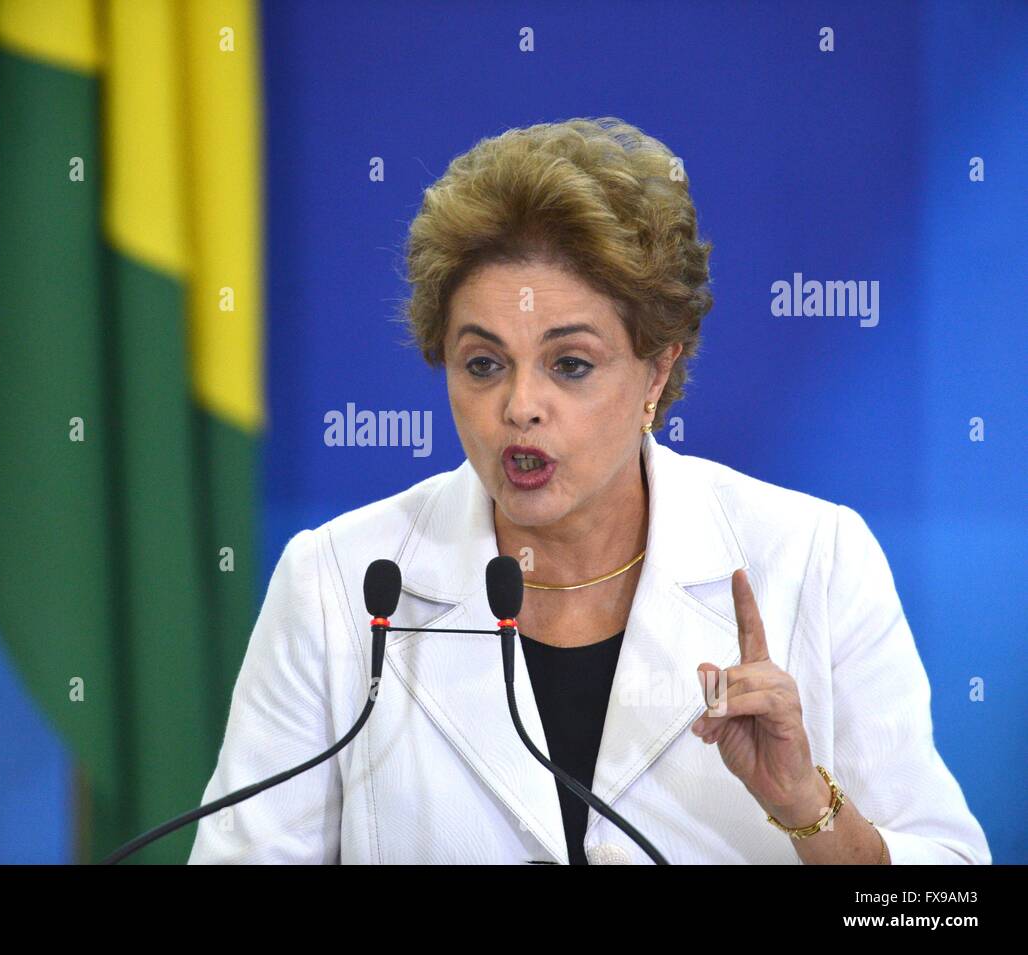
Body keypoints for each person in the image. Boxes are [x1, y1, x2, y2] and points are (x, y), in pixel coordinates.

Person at [188, 118, 991, 864]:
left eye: (569, 363)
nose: (520, 405)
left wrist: (807, 806)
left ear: (657, 369)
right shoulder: (339, 582)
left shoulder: (815, 560)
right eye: (483, 363)